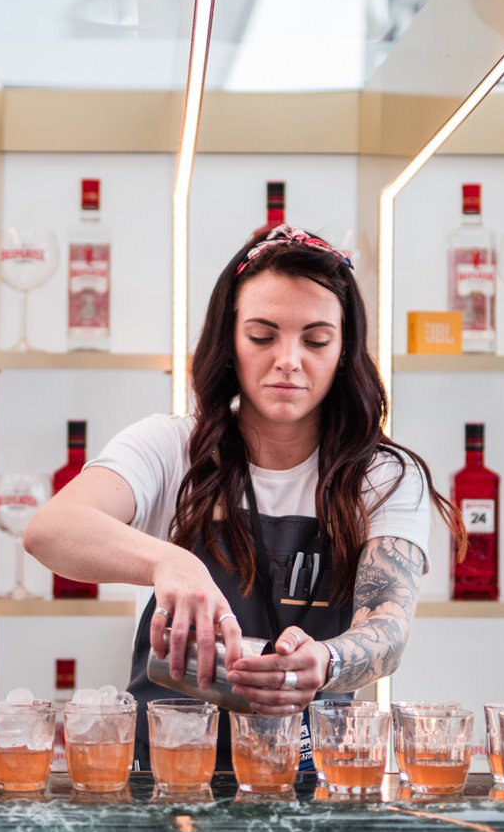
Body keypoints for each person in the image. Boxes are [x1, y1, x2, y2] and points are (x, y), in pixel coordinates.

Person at [25, 223, 465, 769]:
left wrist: (324, 663)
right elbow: (51, 529)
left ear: (345, 351)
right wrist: (170, 562)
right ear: (230, 341)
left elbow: (388, 629)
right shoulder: (170, 447)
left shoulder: (383, 475)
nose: (288, 359)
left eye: (316, 339)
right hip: (167, 772)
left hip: (312, 775)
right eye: (262, 336)